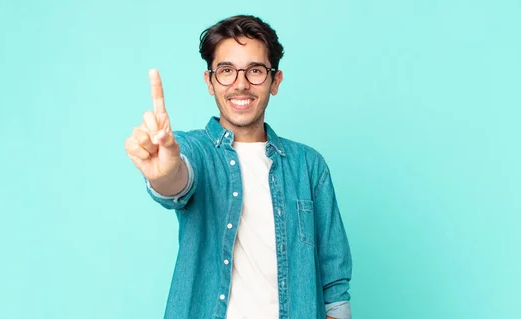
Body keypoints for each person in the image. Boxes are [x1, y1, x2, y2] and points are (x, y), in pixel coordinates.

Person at [125, 15, 352, 319]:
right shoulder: (192, 150)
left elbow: (334, 280)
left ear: (275, 81)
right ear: (210, 81)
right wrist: (164, 175)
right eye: (226, 71)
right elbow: (177, 180)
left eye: (255, 70)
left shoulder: (308, 166)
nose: (241, 84)